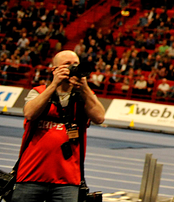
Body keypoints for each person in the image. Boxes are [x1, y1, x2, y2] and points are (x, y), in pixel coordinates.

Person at [14, 50, 106, 201]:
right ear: (54, 69)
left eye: (75, 64)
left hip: (67, 180)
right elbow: (30, 113)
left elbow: (100, 117)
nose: (72, 68)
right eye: (67, 64)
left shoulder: (83, 96)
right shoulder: (39, 91)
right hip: (31, 175)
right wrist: (54, 84)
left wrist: (84, 88)